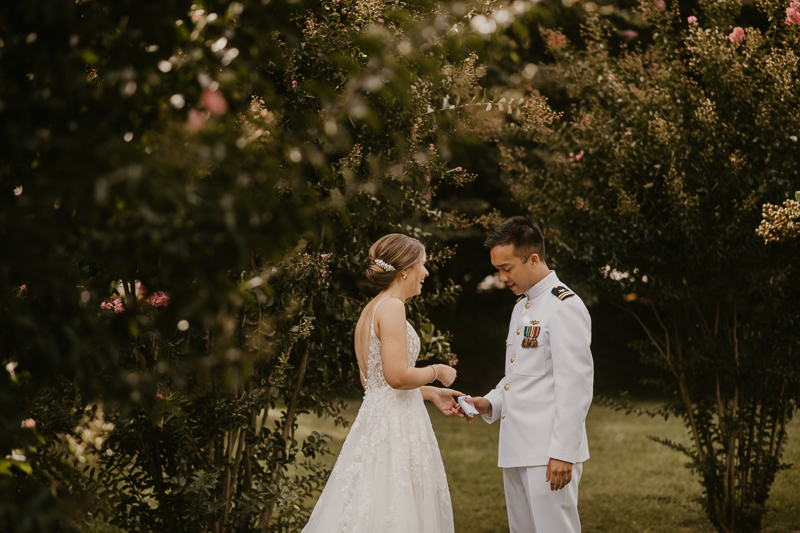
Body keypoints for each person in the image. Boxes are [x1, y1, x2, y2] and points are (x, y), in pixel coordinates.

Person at [302, 233, 464, 533]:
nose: (426, 273)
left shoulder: (370, 310)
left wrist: (431, 394)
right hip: (395, 427)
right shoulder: (391, 308)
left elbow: (374, 382)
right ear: (405, 269)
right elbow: (396, 376)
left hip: (378, 420)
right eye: (423, 266)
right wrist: (437, 371)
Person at [466, 216, 594, 533]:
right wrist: (490, 403)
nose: (501, 277)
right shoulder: (521, 306)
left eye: (507, 268)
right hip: (515, 448)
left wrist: (563, 453)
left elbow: (575, 386)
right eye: (498, 269)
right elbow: (519, 375)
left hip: (548, 452)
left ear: (533, 258)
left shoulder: (564, 306)